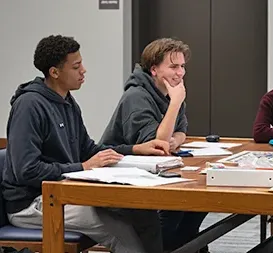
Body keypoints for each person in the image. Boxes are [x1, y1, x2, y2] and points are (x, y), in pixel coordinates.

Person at [2, 35, 170, 253]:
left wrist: (135, 150)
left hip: (64, 193)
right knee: (121, 232)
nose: (84, 70)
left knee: (144, 216)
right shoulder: (29, 106)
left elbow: (88, 150)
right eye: (76, 66)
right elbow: (27, 170)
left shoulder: (67, 101)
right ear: (54, 72)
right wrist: (82, 167)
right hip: (32, 204)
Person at [100, 38, 208, 252]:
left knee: (196, 206)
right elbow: (157, 148)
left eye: (183, 67)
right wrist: (176, 103)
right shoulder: (136, 96)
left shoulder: (170, 92)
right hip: (120, 177)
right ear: (154, 70)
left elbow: (181, 131)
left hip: (151, 173)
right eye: (173, 66)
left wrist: (175, 139)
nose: (180, 73)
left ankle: (182, 246)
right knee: (178, 208)